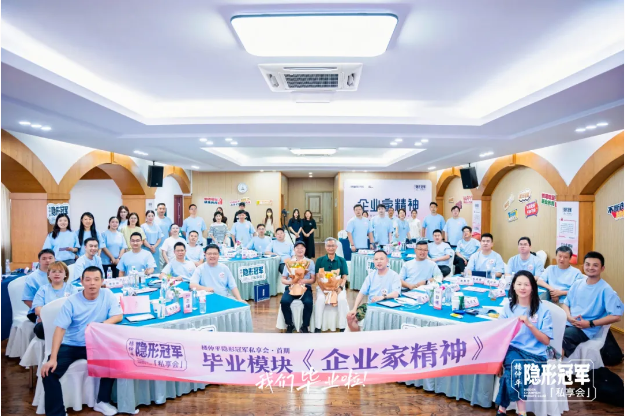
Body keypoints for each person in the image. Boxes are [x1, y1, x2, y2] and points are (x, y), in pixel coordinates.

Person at [40, 266, 122, 416]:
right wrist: (52, 358)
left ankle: (102, 402)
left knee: (113, 360)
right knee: (49, 372)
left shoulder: (108, 294)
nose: (92, 283)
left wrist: (100, 325)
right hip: (71, 344)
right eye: (88, 280)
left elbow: (118, 315)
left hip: (94, 344)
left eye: (96, 279)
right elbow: (60, 330)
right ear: (82, 281)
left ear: (102, 281)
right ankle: (57, 413)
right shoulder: (72, 301)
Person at [495, 270, 553, 416]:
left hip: (536, 355)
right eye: (519, 284)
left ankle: (501, 409)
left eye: (526, 284)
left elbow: (546, 340)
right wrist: (498, 361)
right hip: (513, 350)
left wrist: (529, 324)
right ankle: (522, 412)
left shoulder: (543, 310)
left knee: (513, 372)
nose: (522, 288)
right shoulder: (508, 307)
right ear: (513, 286)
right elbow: (500, 336)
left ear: (533, 287)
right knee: (517, 367)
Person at [561, 251, 623, 357]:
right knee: (545, 331)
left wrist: (590, 323)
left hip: (586, 329)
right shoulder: (577, 284)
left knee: (561, 338)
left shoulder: (606, 289)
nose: (590, 268)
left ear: (602, 268)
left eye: (595, 265)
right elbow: (565, 304)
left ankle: (558, 365)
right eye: (587, 264)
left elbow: (616, 316)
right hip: (569, 323)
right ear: (583, 266)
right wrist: (569, 317)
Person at [347, 250, 401, 324]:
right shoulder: (371, 276)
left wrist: (383, 297)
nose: (379, 261)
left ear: (387, 261)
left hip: (387, 307)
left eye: (381, 259)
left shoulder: (394, 275)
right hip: (371, 306)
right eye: (376, 259)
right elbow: (361, 293)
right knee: (351, 318)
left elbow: (396, 293)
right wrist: (354, 308)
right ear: (373, 261)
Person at [32, 261, 77, 339]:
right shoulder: (43, 289)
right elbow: (38, 310)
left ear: (65, 274)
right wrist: (50, 320)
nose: (57, 274)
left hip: (66, 322)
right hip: (47, 322)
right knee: (40, 329)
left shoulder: (72, 289)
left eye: (60, 272)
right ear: (48, 274)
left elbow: (75, 308)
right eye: (53, 271)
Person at [314, 238, 349, 333]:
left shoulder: (342, 260)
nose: (331, 248)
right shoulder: (320, 260)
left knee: (342, 300)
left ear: (336, 247)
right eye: (328, 246)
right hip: (323, 288)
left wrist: (340, 287)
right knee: (320, 300)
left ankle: (342, 326)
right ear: (325, 247)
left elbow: (344, 277)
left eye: (333, 246)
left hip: (338, 287)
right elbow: (317, 277)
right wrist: (323, 288)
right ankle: (317, 327)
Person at [280, 241, 316, 333]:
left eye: (302, 248)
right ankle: (289, 324)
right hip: (291, 287)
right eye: (297, 248)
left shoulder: (310, 262)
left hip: (305, 288)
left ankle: (305, 326)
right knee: (284, 301)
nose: (300, 250)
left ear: (305, 249)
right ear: (294, 250)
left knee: (308, 302)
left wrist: (304, 281)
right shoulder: (289, 262)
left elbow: (313, 279)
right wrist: (291, 282)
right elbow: (283, 279)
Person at [22, 249, 56, 323]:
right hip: (37, 312)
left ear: (55, 260)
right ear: (39, 261)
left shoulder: (59, 274)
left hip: (56, 310)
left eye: (50, 258)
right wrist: (41, 311)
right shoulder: (32, 277)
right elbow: (27, 300)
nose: (47, 260)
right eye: (44, 258)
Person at [153, 203, 172, 267]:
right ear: (157, 209)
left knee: (166, 262)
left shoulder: (168, 220)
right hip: (156, 245)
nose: (162, 210)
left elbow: (170, 232)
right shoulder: (154, 220)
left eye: (163, 209)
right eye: (160, 208)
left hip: (166, 244)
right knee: (157, 262)